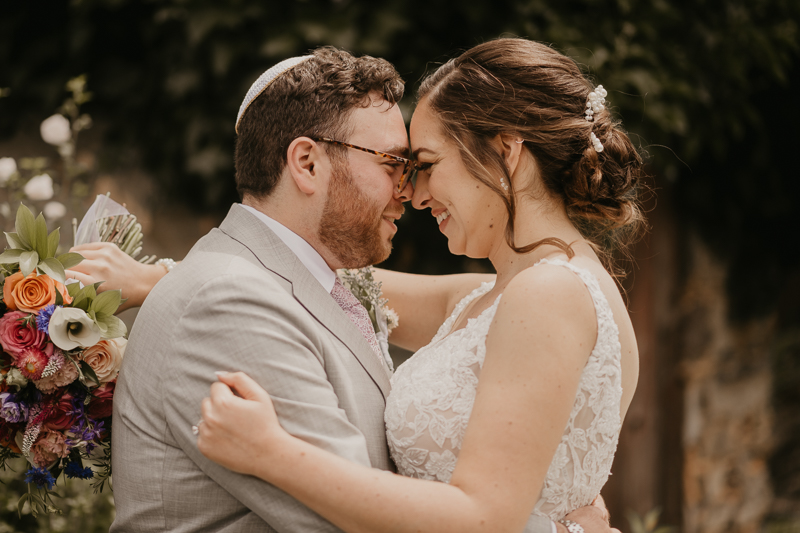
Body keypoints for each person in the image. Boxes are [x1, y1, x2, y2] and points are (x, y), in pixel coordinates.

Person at [93, 45, 607, 532]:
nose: (409, 190)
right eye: (394, 163)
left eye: (419, 166)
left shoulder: (306, 282)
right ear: (308, 163)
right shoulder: (226, 303)